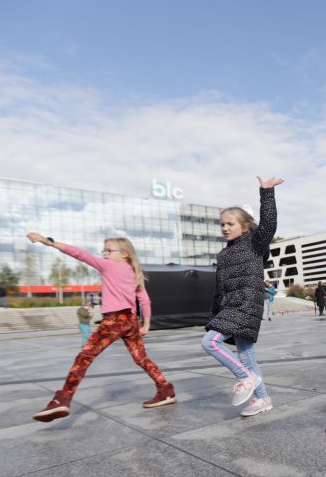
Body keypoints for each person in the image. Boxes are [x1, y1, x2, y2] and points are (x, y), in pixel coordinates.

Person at [26, 232, 176, 422]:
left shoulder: (109, 266)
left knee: (84, 357)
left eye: (108, 250)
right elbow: (144, 300)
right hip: (130, 321)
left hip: (114, 321)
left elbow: (80, 254)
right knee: (141, 358)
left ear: (125, 253)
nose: (104, 254)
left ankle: (63, 398)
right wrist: (146, 324)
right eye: (103, 250)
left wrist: (49, 242)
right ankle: (165, 390)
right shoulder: (133, 271)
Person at [201, 177, 282, 417]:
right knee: (246, 356)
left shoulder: (254, 244)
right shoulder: (223, 255)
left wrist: (266, 194)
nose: (225, 228)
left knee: (210, 342)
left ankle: (246, 379)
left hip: (246, 305)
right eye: (222, 224)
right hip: (230, 307)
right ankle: (263, 399)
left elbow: (268, 224)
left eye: (230, 224)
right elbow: (219, 289)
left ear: (244, 227)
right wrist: (215, 314)